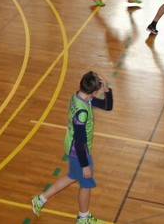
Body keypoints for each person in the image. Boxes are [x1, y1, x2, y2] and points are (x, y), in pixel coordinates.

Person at [30, 71, 113, 224]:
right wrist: (85, 165)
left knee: (73, 176)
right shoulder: (82, 112)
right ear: (94, 92)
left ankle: (40, 199)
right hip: (79, 152)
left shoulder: (79, 97)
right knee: (86, 184)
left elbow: (107, 106)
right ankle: (83, 218)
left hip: (72, 146)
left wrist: (107, 89)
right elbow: (80, 142)